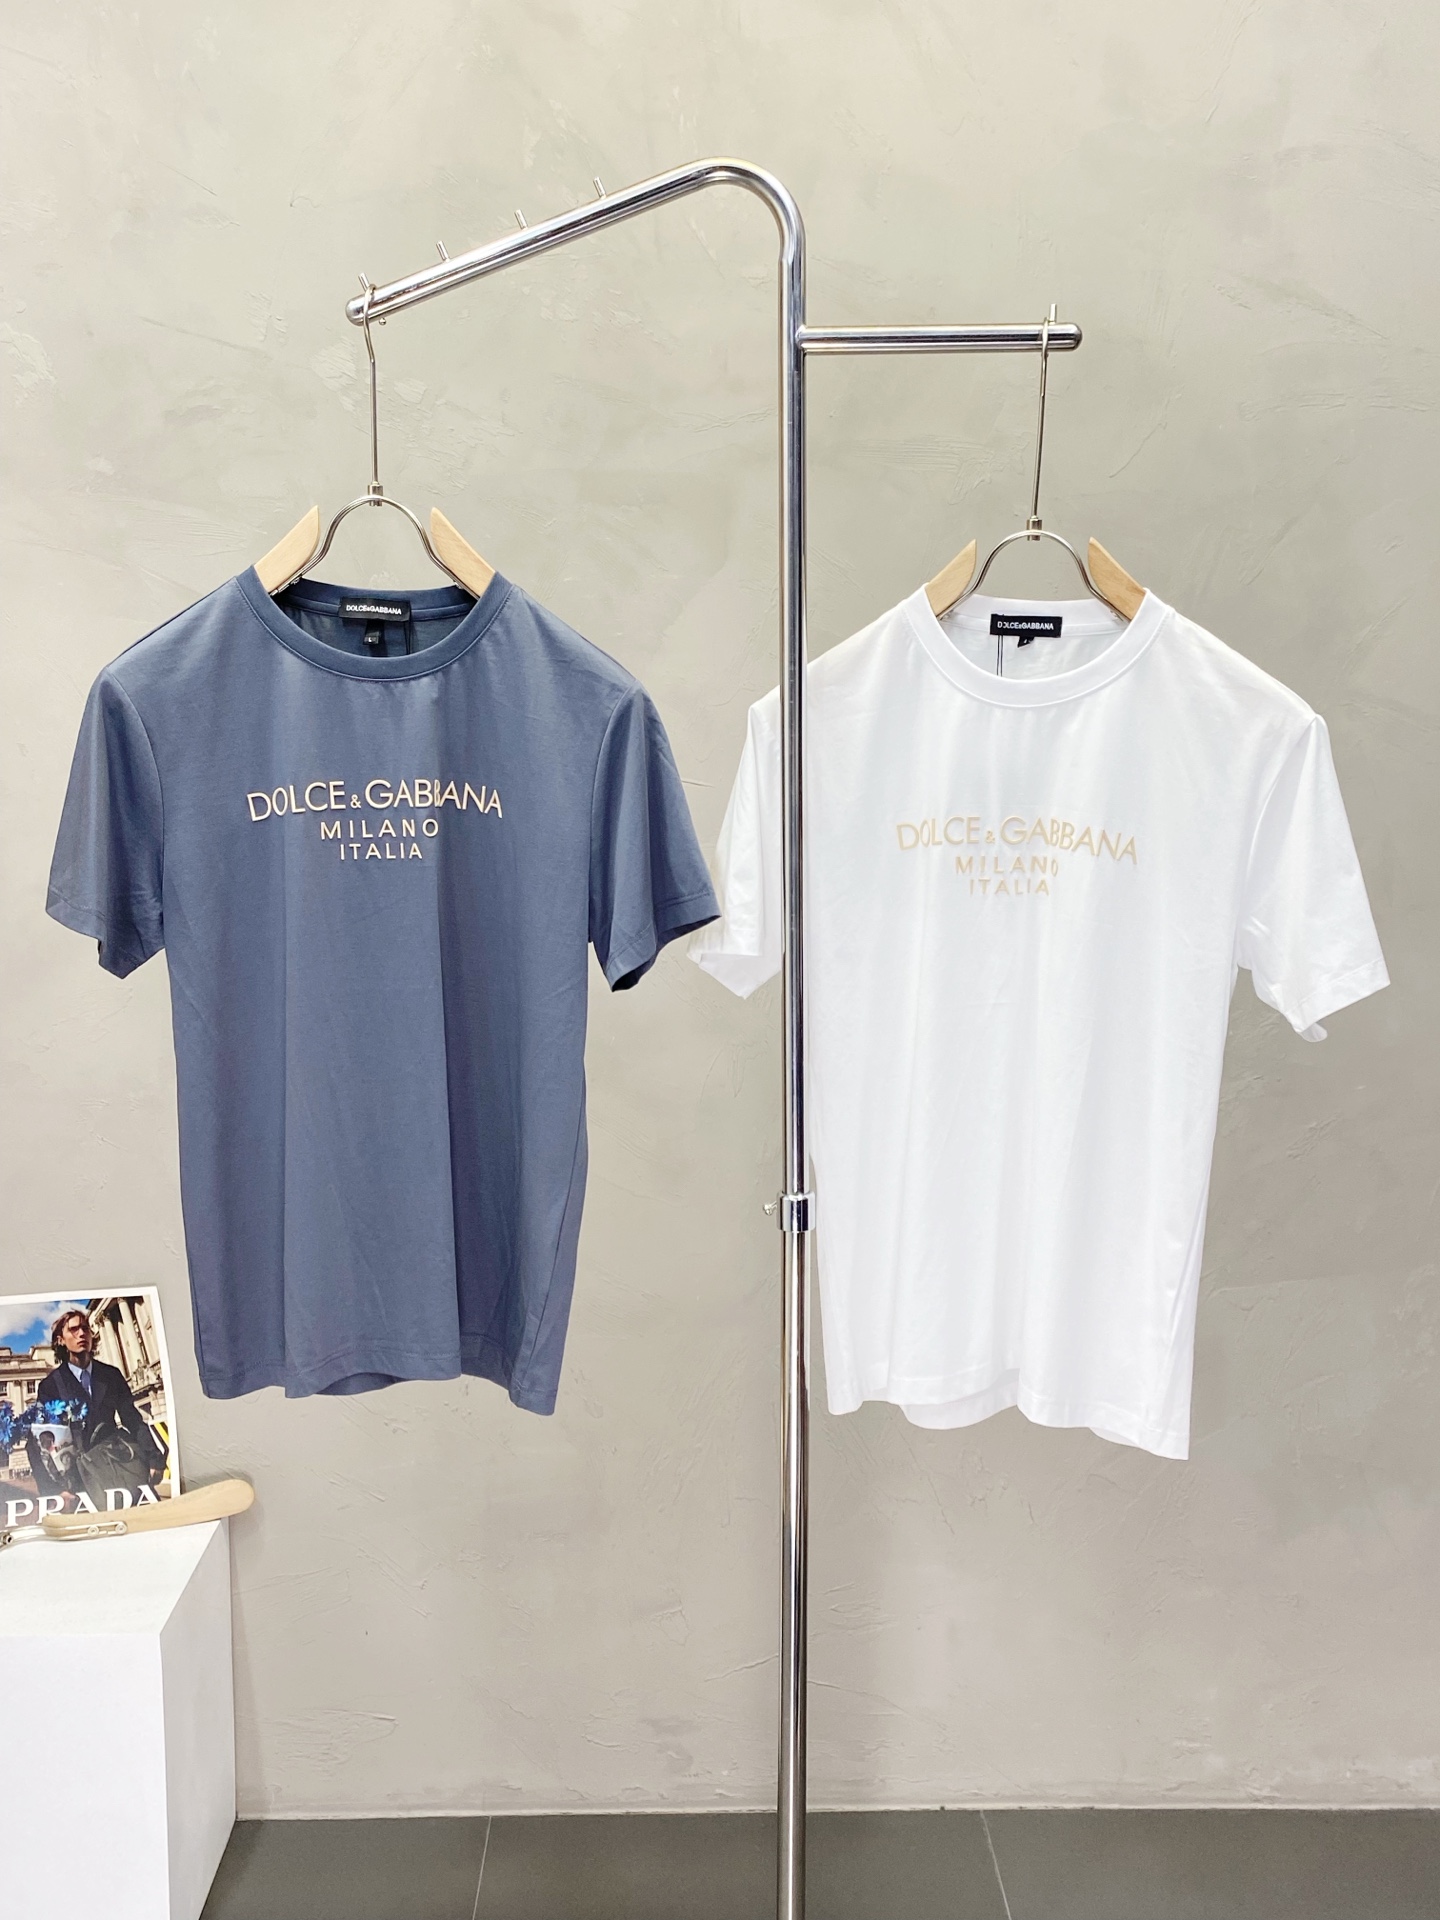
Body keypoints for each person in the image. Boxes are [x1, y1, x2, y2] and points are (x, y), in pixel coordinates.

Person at [36, 1308, 166, 1499]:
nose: (82, 1334)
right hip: (80, 1478)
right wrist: (53, 1491)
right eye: (73, 1330)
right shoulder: (51, 1385)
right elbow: (40, 1441)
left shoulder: (111, 1375)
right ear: (60, 1340)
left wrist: (154, 1459)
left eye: (85, 1328)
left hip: (120, 1462)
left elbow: (132, 1418)